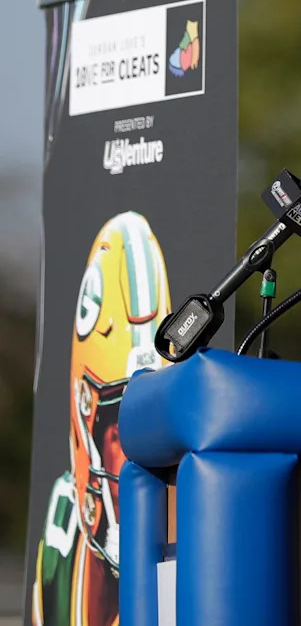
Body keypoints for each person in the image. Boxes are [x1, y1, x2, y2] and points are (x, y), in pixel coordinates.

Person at [33, 211, 172, 626]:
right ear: (85, 416)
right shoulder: (58, 555)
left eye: (151, 418)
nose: (137, 449)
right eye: (120, 421)